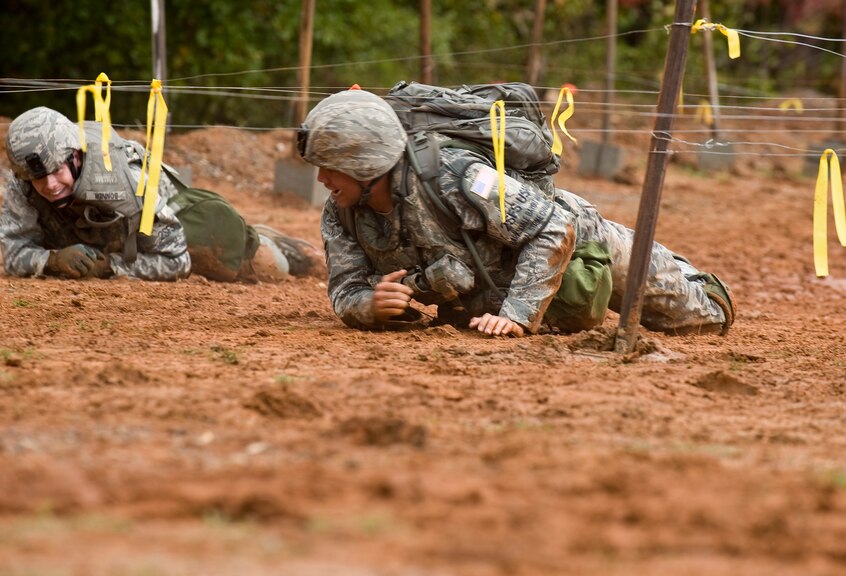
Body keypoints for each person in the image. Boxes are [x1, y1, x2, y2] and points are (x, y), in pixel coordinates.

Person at [298, 88, 736, 337]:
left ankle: (690, 275)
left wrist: (517, 315)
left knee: (703, 318)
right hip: (497, 281)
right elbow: (345, 288)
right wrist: (369, 306)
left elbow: (552, 227)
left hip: (581, 238)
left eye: (331, 169)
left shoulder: (455, 176)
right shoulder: (343, 211)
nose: (322, 181)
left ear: (366, 164)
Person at [1, 106, 323, 282]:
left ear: (76, 155)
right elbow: (10, 251)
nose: (49, 186)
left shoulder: (125, 177)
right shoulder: (25, 182)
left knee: (271, 267)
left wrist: (109, 268)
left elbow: (175, 260)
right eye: (37, 178)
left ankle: (273, 241)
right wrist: (53, 260)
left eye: (56, 170)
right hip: (107, 236)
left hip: (176, 223)